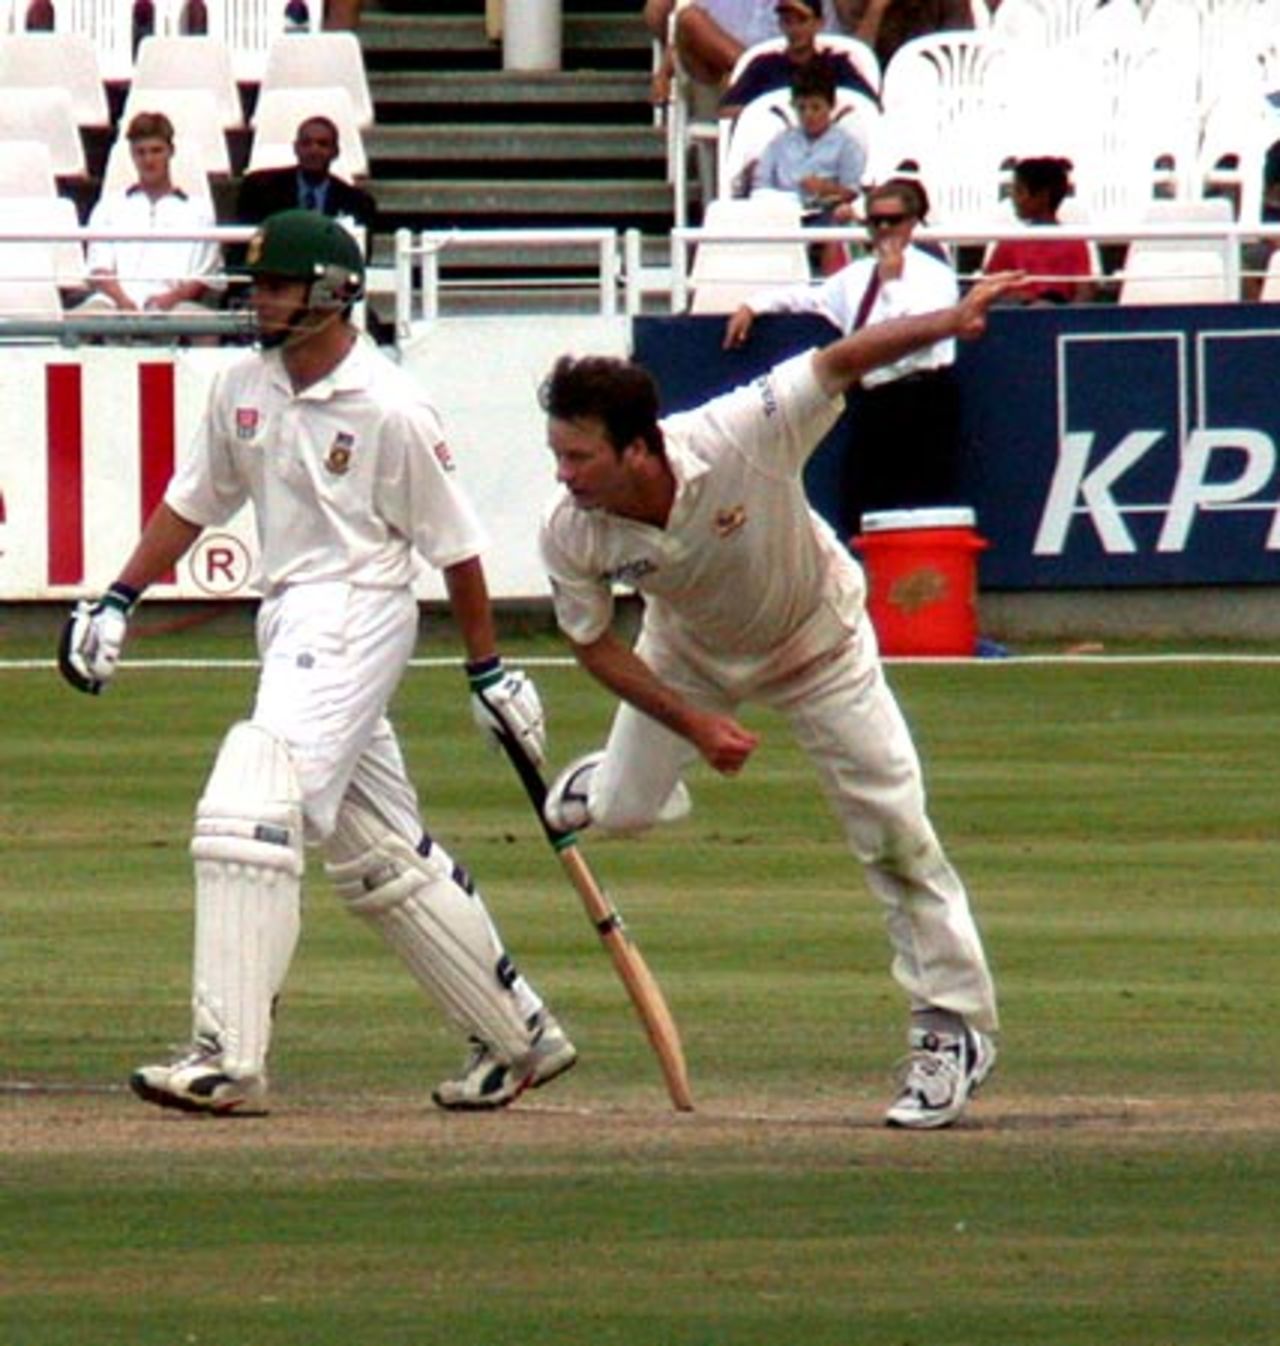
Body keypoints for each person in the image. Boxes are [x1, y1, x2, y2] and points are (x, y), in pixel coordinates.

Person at [56, 209, 576, 1117]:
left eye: (277, 286)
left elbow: (454, 548)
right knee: (379, 853)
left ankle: (230, 1055)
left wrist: (489, 671)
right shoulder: (243, 387)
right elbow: (196, 502)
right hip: (292, 614)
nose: (260, 301)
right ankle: (518, 1036)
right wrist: (119, 598)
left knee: (250, 803)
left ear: (333, 293)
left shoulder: (392, 406)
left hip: (360, 610)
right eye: (256, 285)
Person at [535, 273, 1018, 1129]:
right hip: (687, 659)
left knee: (895, 830)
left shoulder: (739, 434)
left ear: (640, 448)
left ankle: (951, 1027)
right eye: (558, 456)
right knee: (621, 810)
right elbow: (594, 643)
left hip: (818, 643)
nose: (564, 476)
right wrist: (692, 724)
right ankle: (611, 782)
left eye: (580, 457)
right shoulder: (573, 530)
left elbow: (837, 362)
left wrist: (951, 317)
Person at [724, 177, 961, 532]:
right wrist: (753, 305)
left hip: (921, 395)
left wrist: (892, 282)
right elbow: (809, 296)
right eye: (875, 221)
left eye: (892, 220)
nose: (883, 229)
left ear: (912, 223)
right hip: (874, 400)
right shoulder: (856, 276)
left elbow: (917, 336)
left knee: (922, 502)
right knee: (864, 502)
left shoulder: (935, 276)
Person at [77, 110, 221, 321]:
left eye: (156, 150)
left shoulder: (199, 211)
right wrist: (123, 301)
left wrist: (170, 299)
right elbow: (100, 268)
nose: (148, 159)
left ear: (171, 152)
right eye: (140, 152)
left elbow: (203, 276)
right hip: (114, 302)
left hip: (175, 304)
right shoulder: (109, 206)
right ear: (132, 155)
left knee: (206, 323)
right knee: (79, 319)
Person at [750, 59, 865, 223]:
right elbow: (761, 184)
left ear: (830, 106)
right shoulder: (780, 142)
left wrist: (826, 188)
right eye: (801, 108)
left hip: (825, 215)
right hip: (781, 216)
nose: (808, 115)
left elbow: (854, 192)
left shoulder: (846, 145)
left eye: (816, 107)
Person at [720, 0, 879, 117]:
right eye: (788, 22)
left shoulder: (837, 65)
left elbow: (871, 106)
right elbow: (726, 110)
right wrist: (768, 113)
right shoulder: (763, 66)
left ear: (819, 24)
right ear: (780, 25)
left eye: (802, 21)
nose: (795, 30)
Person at [236, 116, 376, 236]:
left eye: (323, 144)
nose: (313, 150)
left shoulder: (357, 203)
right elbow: (240, 245)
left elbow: (360, 255)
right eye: (306, 143)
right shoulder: (259, 189)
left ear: (336, 152)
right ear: (296, 148)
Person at [984, 157, 1095, 305]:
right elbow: (989, 291)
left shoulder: (1074, 242)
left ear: (1042, 195)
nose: (1013, 198)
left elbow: (1083, 295)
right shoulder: (1009, 243)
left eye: (1019, 191)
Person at [834, 0, 972, 69]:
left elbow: (961, 53)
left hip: (935, 85)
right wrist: (876, 8)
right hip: (880, 88)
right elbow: (857, 61)